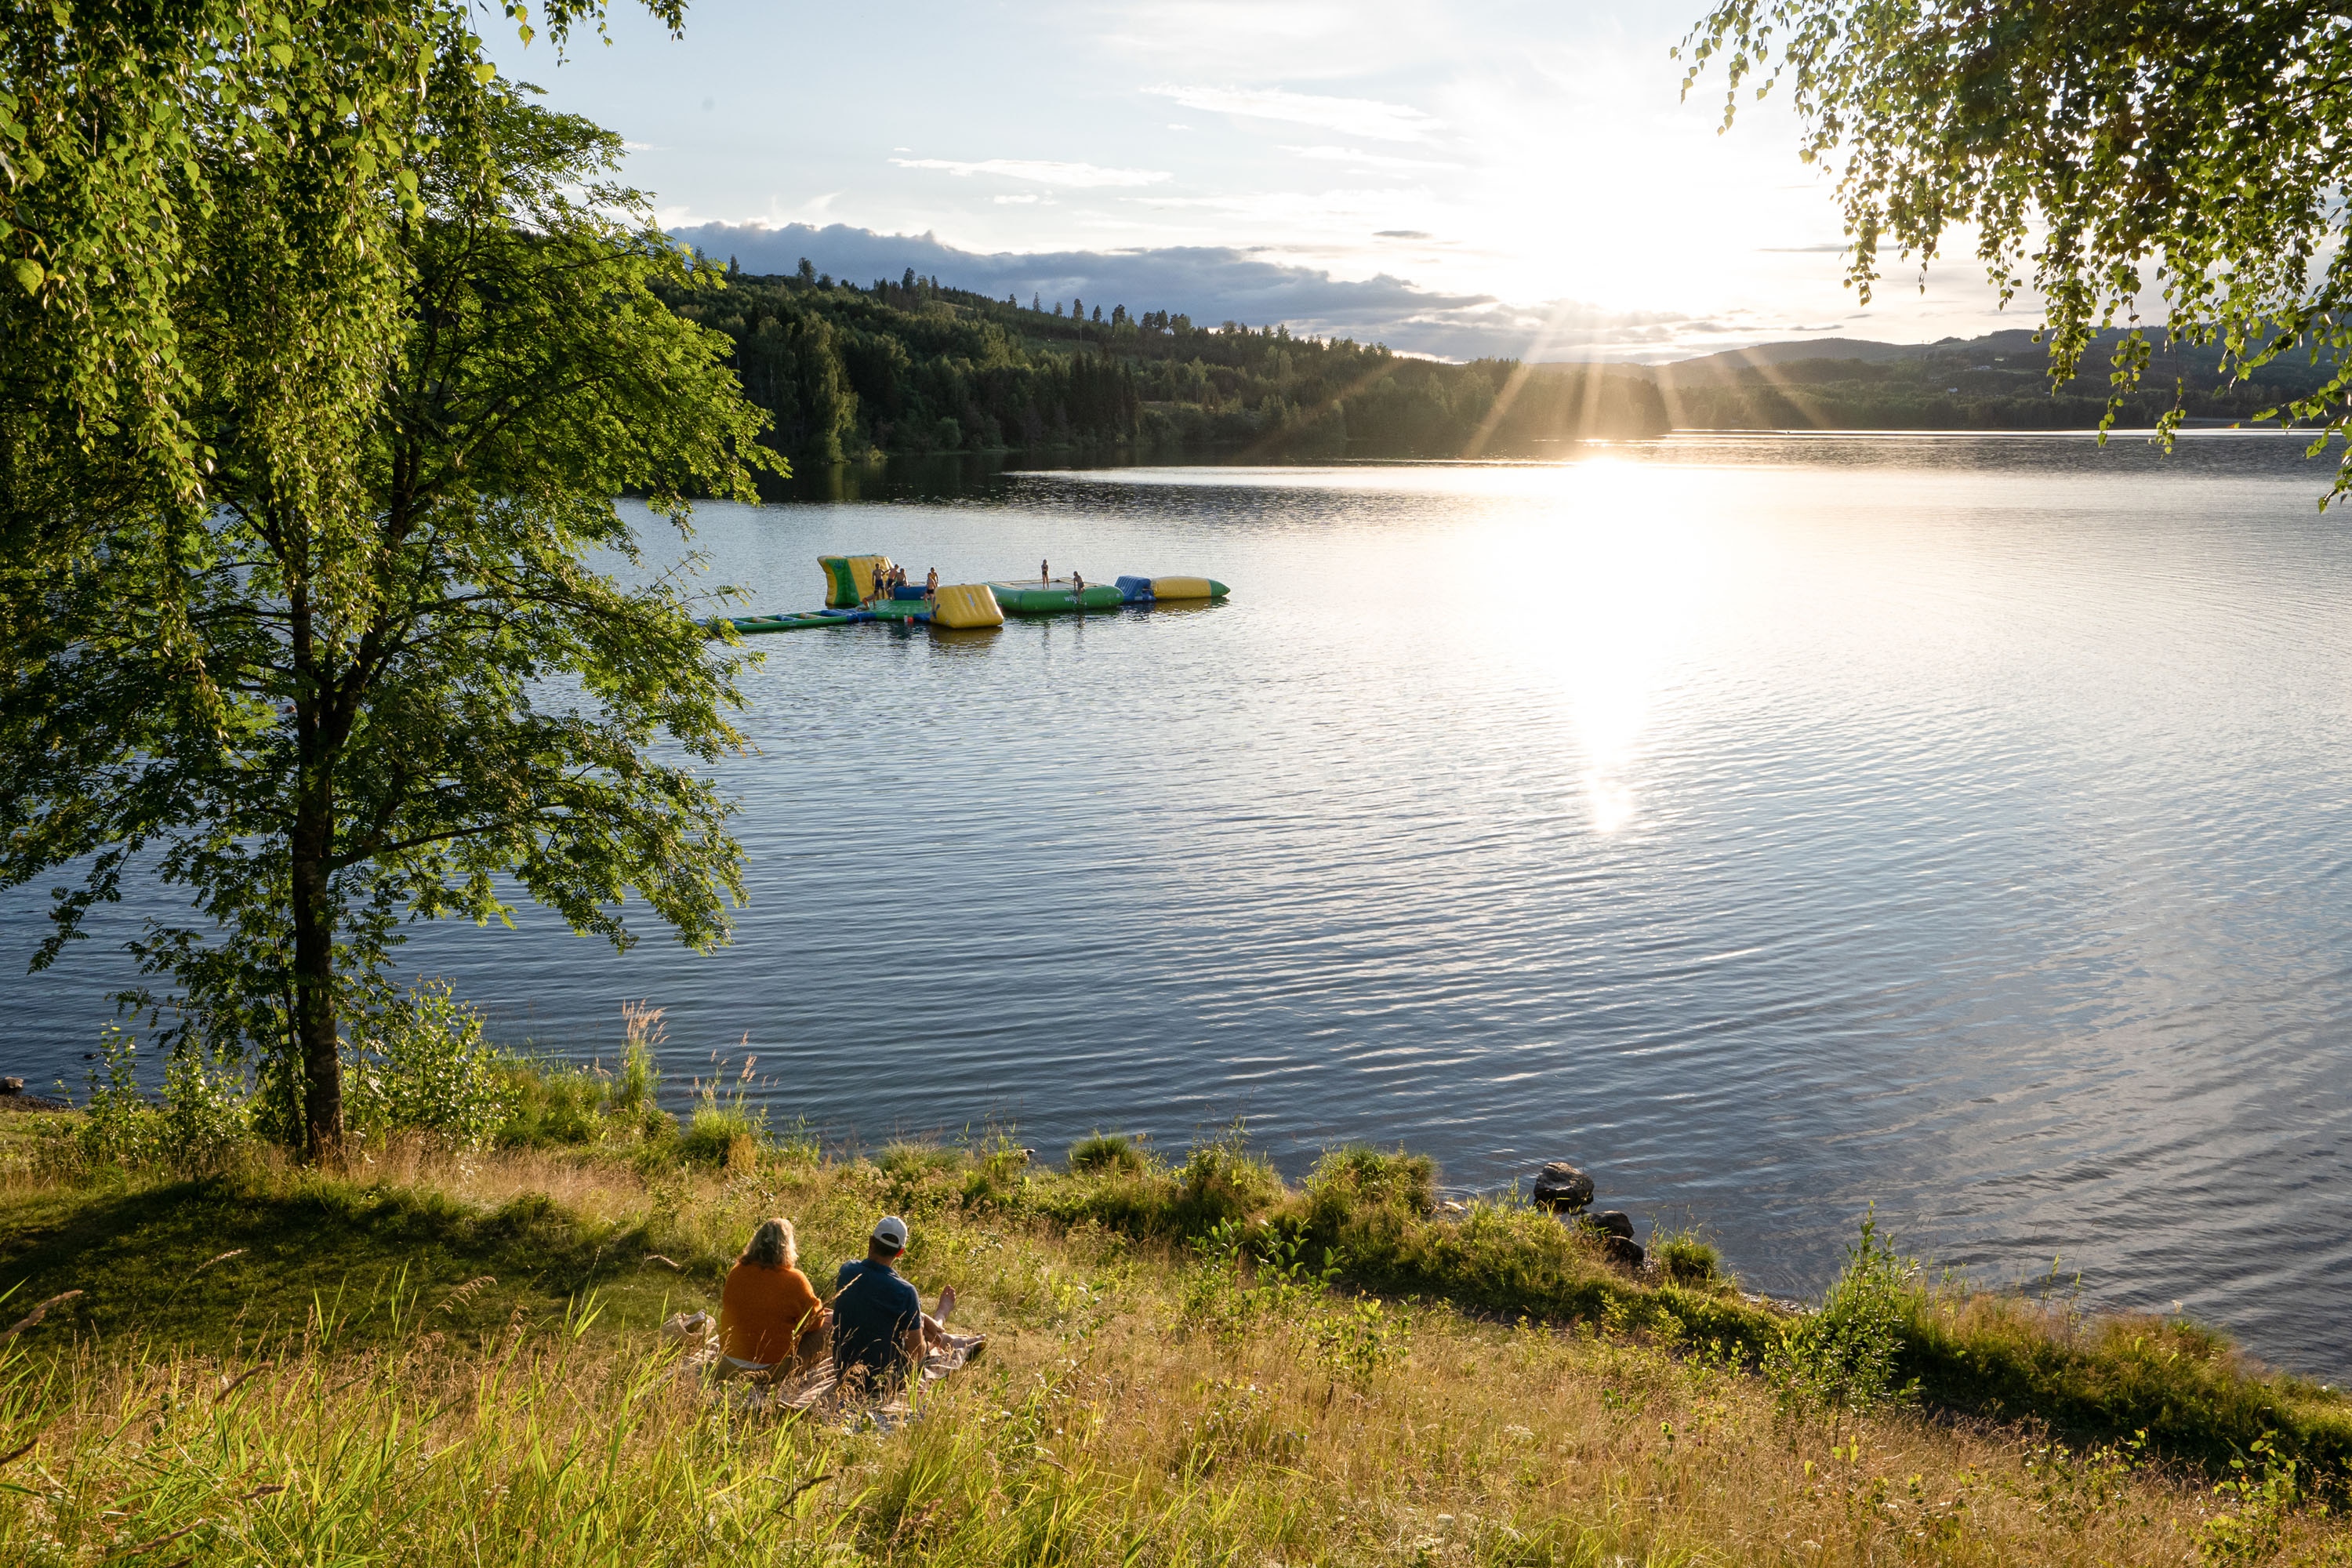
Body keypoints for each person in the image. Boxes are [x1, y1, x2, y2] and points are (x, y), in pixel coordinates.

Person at [830, 1215, 959, 1392]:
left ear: (871, 1242)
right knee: (920, 1332)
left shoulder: (847, 1271)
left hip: (843, 1372)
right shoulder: (905, 1292)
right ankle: (940, 1318)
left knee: (910, 1318)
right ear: (900, 1252)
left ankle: (930, 1320)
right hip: (884, 1382)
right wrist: (919, 1325)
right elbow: (916, 1355)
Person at [716, 1217, 828, 1380]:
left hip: (729, 1362)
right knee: (829, 1323)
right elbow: (815, 1322)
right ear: (788, 1248)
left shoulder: (737, 1272)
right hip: (771, 1370)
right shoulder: (795, 1280)